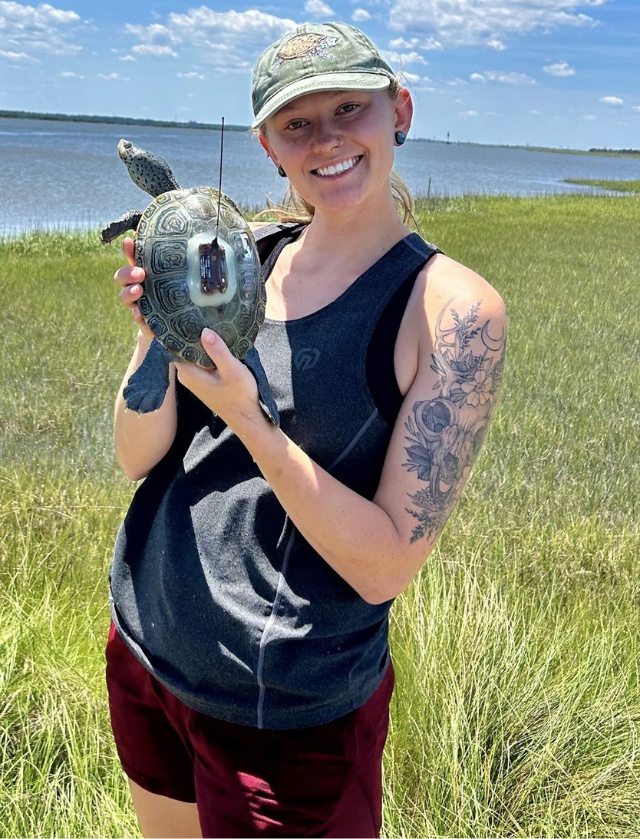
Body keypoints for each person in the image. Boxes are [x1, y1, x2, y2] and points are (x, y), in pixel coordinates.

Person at [107, 21, 506, 839]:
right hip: (149, 645)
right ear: (267, 145)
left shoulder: (452, 312)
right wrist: (155, 335)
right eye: (298, 124)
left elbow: (387, 562)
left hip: (286, 710)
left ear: (399, 109)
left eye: (349, 109)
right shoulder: (239, 250)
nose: (326, 140)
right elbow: (135, 455)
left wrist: (255, 423)